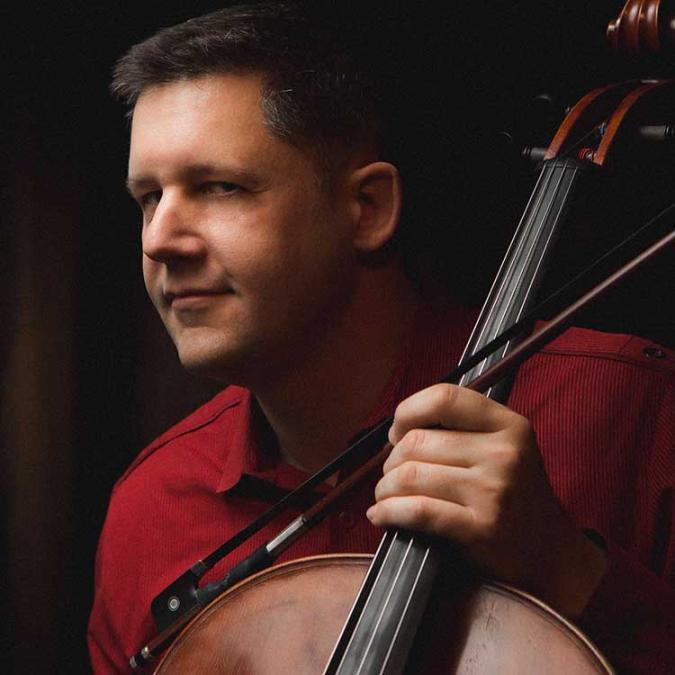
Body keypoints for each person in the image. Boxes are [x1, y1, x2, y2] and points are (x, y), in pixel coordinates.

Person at [88, 2, 675, 673]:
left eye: (220, 187)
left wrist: (568, 569)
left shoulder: (636, 405)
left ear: (366, 209)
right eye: (146, 198)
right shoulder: (152, 504)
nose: (160, 239)